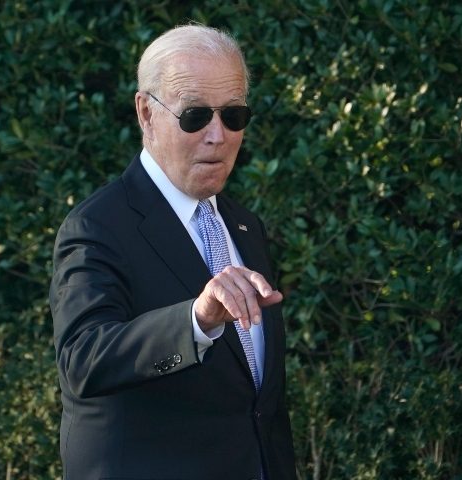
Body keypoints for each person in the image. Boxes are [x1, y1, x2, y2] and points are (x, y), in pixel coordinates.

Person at [50, 24, 297, 480]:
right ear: (147, 112)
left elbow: (258, 407)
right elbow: (83, 360)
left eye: (234, 116)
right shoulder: (98, 226)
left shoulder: (244, 226)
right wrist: (196, 321)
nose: (218, 135)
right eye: (195, 116)